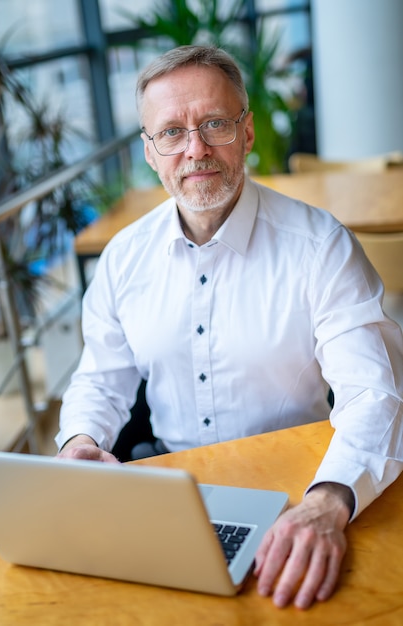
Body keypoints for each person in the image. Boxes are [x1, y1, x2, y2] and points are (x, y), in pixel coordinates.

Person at [56, 45, 403, 609]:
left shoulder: (321, 248)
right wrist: (80, 440)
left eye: (214, 124)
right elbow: (99, 377)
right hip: (172, 495)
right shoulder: (122, 259)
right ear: (149, 151)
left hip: (302, 488)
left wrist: (328, 502)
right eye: (171, 132)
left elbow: (376, 392)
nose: (194, 150)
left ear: (246, 133)